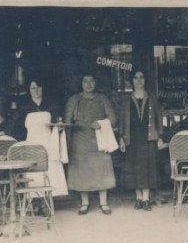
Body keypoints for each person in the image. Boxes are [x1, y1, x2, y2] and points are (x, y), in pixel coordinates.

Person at [64, 74, 117, 216]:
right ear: (80, 83)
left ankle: (103, 202)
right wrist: (67, 142)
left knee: (102, 168)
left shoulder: (102, 99)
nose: (88, 84)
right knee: (81, 170)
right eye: (85, 81)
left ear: (96, 83)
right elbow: (67, 122)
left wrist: (101, 123)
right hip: (79, 141)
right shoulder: (74, 100)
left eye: (91, 81)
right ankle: (84, 203)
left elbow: (113, 119)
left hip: (99, 140)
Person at [118, 70, 163, 211]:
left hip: (149, 138)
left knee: (148, 168)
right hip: (132, 139)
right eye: (135, 78)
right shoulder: (126, 100)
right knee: (134, 168)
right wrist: (121, 138)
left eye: (141, 77)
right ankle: (138, 198)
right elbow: (121, 120)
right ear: (131, 81)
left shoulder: (152, 98)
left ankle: (146, 198)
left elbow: (159, 118)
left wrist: (160, 137)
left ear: (145, 80)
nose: (139, 80)